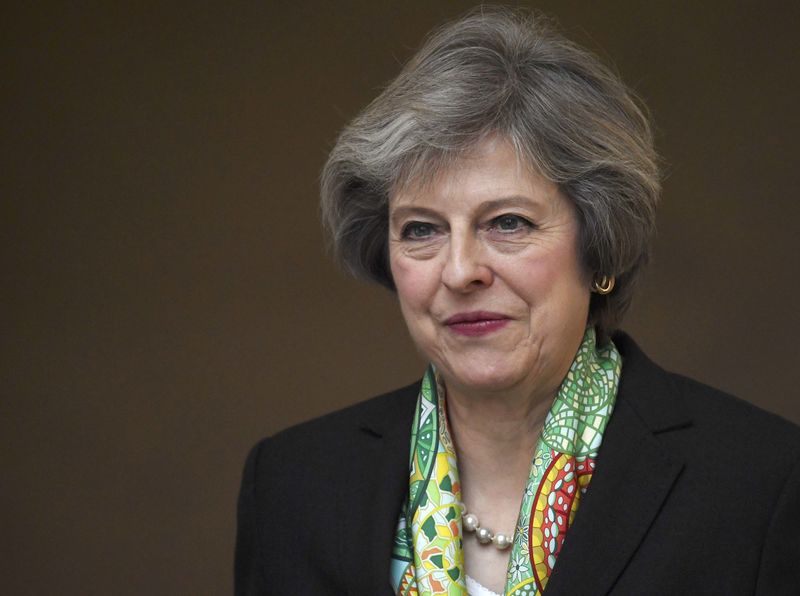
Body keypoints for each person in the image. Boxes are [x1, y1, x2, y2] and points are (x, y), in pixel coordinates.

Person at [235, 7, 800, 595]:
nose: (459, 271)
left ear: (599, 247)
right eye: (422, 230)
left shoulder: (762, 485)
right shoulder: (291, 485)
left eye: (507, 222)